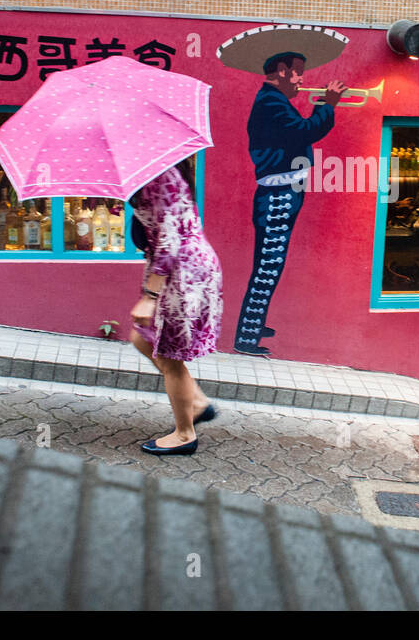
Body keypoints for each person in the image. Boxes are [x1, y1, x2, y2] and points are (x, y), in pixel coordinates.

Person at [231, 51, 343, 356]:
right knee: (269, 265)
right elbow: (306, 131)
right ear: (281, 71)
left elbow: (298, 133)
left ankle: (255, 322)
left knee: (269, 262)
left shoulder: (275, 101)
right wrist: (328, 104)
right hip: (279, 195)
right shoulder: (271, 103)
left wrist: (321, 104)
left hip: (283, 192)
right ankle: (247, 337)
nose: (301, 80)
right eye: (297, 74)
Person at [127, 157, 223, 456]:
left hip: (182, 272)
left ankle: (184, 435)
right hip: (179, 269)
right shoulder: (156, 171)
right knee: (141, 338)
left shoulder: (161, 174)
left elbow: (170, 243)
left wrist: (149, 297)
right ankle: (196, 403)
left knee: (169, 356)